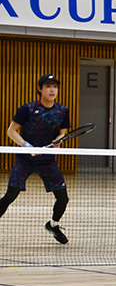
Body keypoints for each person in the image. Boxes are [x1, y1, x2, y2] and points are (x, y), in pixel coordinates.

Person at [0, 74, 72, 244]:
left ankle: (53, 225)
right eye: (48, 86)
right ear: (40, 89)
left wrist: (59, 140)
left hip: (48, 161)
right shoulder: (27, 109)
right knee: (10, 195)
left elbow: (62, 132)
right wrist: (27, 146)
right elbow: (11, 131)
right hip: (25, 160)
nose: (52, 90)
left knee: (63, 198)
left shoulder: (62, 111)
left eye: (55, 86)